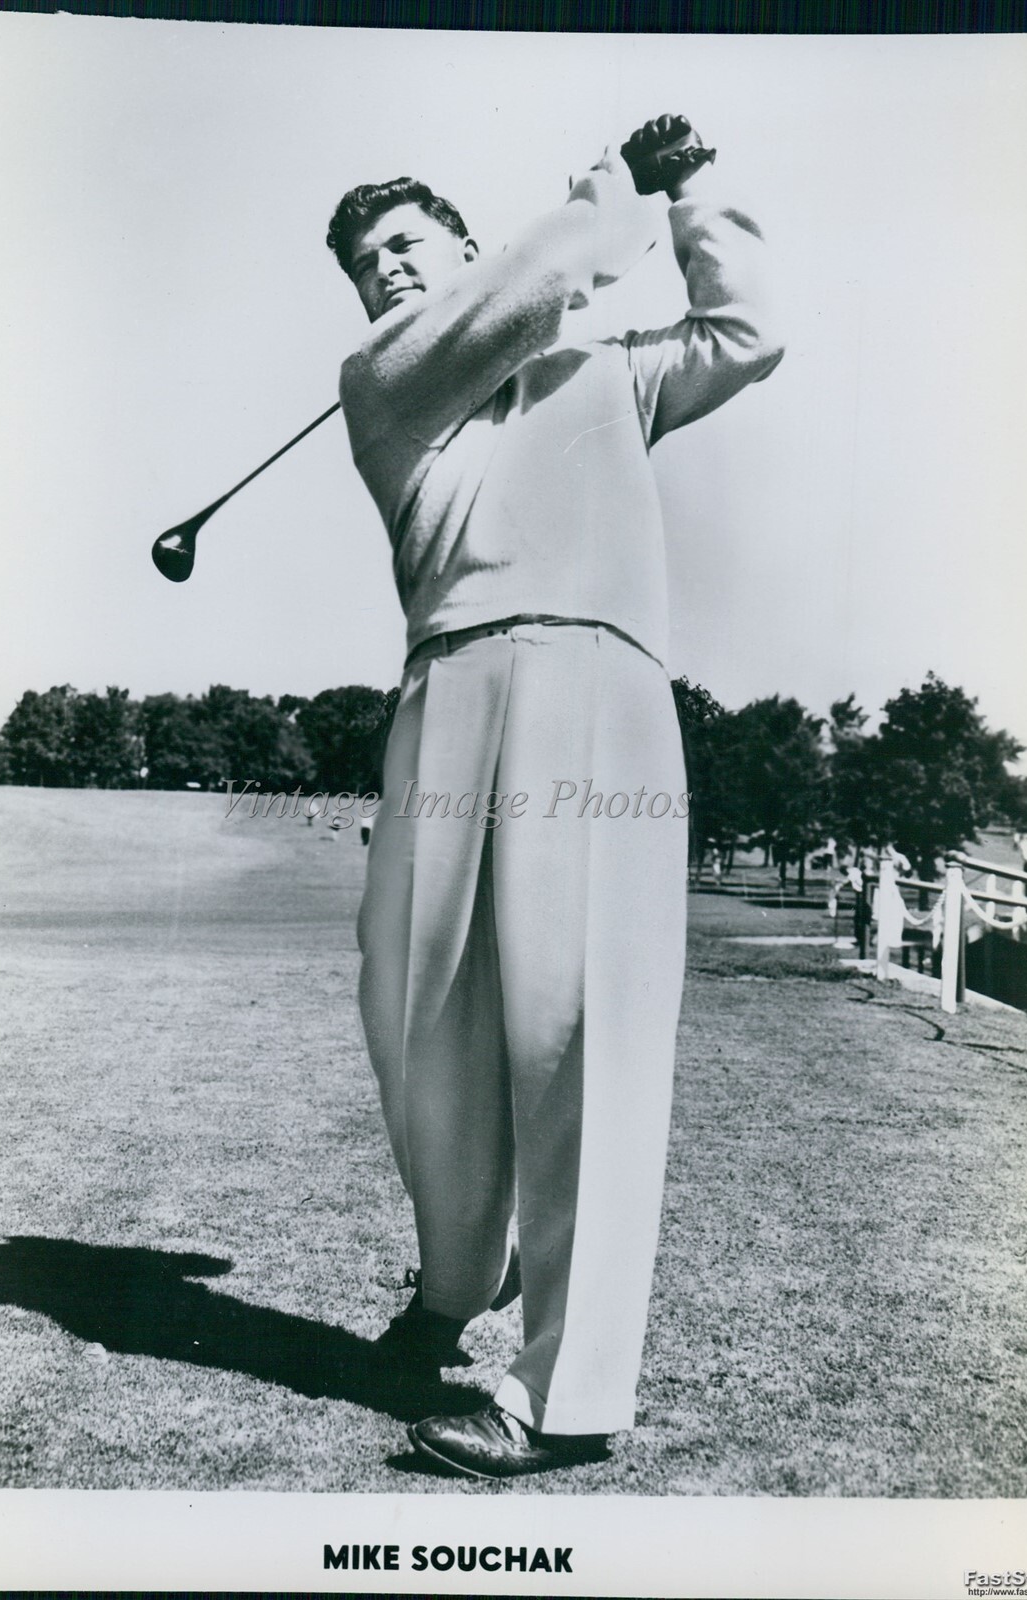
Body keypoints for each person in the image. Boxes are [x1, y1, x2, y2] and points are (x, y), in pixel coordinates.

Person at [327, 114, 783, 1479]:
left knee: (575, 1027)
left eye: (407, 248)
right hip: (442, 697)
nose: (386, 276)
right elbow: (534, 284)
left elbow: (744, 331)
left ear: (463, 246)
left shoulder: (603, 375)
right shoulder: (383, 379)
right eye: (364, 266)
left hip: (593, 685)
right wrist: (608, 194)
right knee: (415, 1022)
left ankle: (562, 1393)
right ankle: (456, 1283)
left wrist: (690, 190)